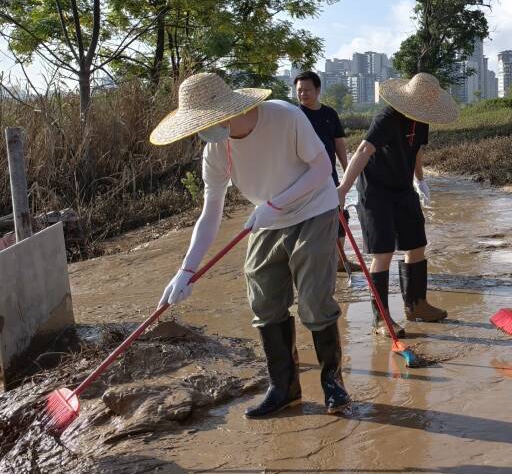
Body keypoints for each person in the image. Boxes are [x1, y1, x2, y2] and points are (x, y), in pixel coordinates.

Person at [150, 72, 349, 416]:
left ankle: (333, 384)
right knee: (263, 298)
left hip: (314, 208)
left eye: (208, 122)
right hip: (267, 219)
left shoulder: (285, 116)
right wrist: (186, 270)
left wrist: (276, 204)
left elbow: (321, 169)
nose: (204, 131)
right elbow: (210, 213)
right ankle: (284, 388)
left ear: (229, 111)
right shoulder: (216, 150)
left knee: (314, 299)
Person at [337, 72, 458, 336]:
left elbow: (416, 151)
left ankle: (416, 304)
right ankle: (381, 319)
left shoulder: (422, 120)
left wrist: (420, 180)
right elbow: (363, 150)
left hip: (403, 188)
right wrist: (343, 189)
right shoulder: (387, 118)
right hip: (376, 192)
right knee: (383, 253)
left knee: (417, 244)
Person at [294, 71, 356, 273]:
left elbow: (339, 144)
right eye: (299, 90)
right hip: (302, 179)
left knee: (340, 217)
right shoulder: (294, 116)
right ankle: (310, 266)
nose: (303, 94)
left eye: (307, 90)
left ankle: (339, 261)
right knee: (308, 222)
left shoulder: (330, 114)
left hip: (329, 178)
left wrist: (347, 170)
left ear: (318, 90)